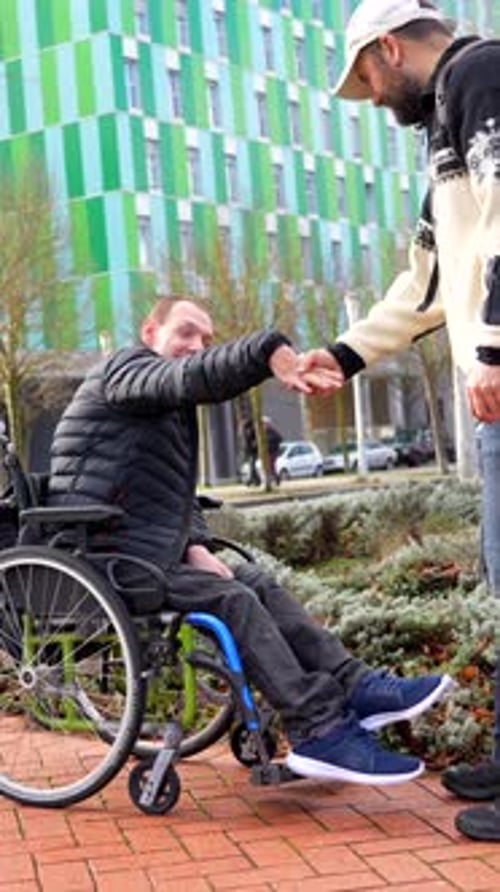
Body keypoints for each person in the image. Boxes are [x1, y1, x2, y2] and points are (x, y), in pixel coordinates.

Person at [47, 294, 453, 785]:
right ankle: (319, 728)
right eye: (185, 333)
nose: (196, 346)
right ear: (150, 333)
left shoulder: (158, 409)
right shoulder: (125, 371)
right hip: (105, 558)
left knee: (253, 579)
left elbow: (169, 495)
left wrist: (194, 542)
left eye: (206, 339)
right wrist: (267, 352)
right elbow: (186, 376)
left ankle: (358, 686)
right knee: (231, 598)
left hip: (145, 553)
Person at [299, 0, 500, 798]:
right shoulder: (444, 120)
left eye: (369, 80)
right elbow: (426, 282)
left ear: (389, 48)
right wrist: (345, 355)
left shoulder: (482, 76)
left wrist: (493, 347)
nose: (375, 98)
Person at [262, 415, 283, 484]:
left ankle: (276, 479)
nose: (263, 426)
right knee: (268, 466)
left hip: (273, 451)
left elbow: (280, 438)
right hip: (267, 452)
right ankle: (271, 479)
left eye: (264, 424)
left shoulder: (272, 431)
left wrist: (270, 441)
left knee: (271, 466)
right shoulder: (263, 433)